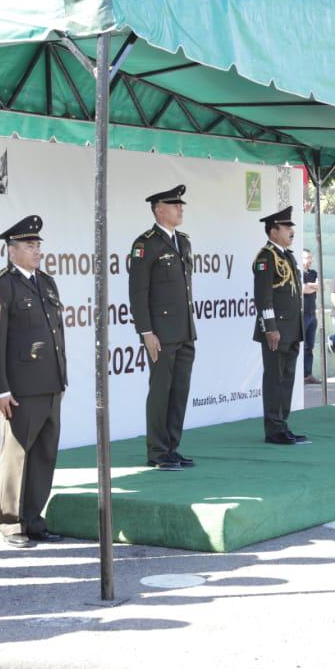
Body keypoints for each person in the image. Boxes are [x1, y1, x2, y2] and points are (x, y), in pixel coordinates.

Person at [0, 215, 67, 547]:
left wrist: (61, 378)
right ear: (11, 249)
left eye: (38, 244)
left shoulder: (46, 282)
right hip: (20, 390)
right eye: (29, 245)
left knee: (44, 455)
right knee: (16, 456)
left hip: (50, 385)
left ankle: (33, 518)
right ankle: (11, 521)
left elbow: (56, 335)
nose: (36, 250)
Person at [128, 185, 197, 471]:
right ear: (159, 209)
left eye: (181, 205)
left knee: (179, 391)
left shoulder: (183, 241)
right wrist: (146, 332)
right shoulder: (146, 244)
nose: (180, 208)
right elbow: (138, 292)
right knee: (160, 392)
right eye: (174, 204)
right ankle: (157, 451)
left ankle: (172, 447)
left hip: (184, 330)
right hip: (160, 333)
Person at [252, 206, 307, 444]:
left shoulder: (288, 256)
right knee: (275, 379)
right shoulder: (266, 257)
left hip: (292, 328)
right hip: (276, 330)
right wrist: (270, 327)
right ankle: (273, 429)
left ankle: (282, 424)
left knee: (287, 378)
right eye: (286, 227)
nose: (291, 231)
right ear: (273, 231)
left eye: (291, 227)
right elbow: (263, 296)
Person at [301, 248, 320, 384]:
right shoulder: (299, 273)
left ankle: (308, 375)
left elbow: (319, 286)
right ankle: (299, 376)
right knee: (302, 345)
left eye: (310, 257)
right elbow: (303, 289)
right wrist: (310, 286)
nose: (310, 260)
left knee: (310, 347)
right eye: (307, 258)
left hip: (312, 314)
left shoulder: (314, 273)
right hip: (302, 314)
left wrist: (310, 286)